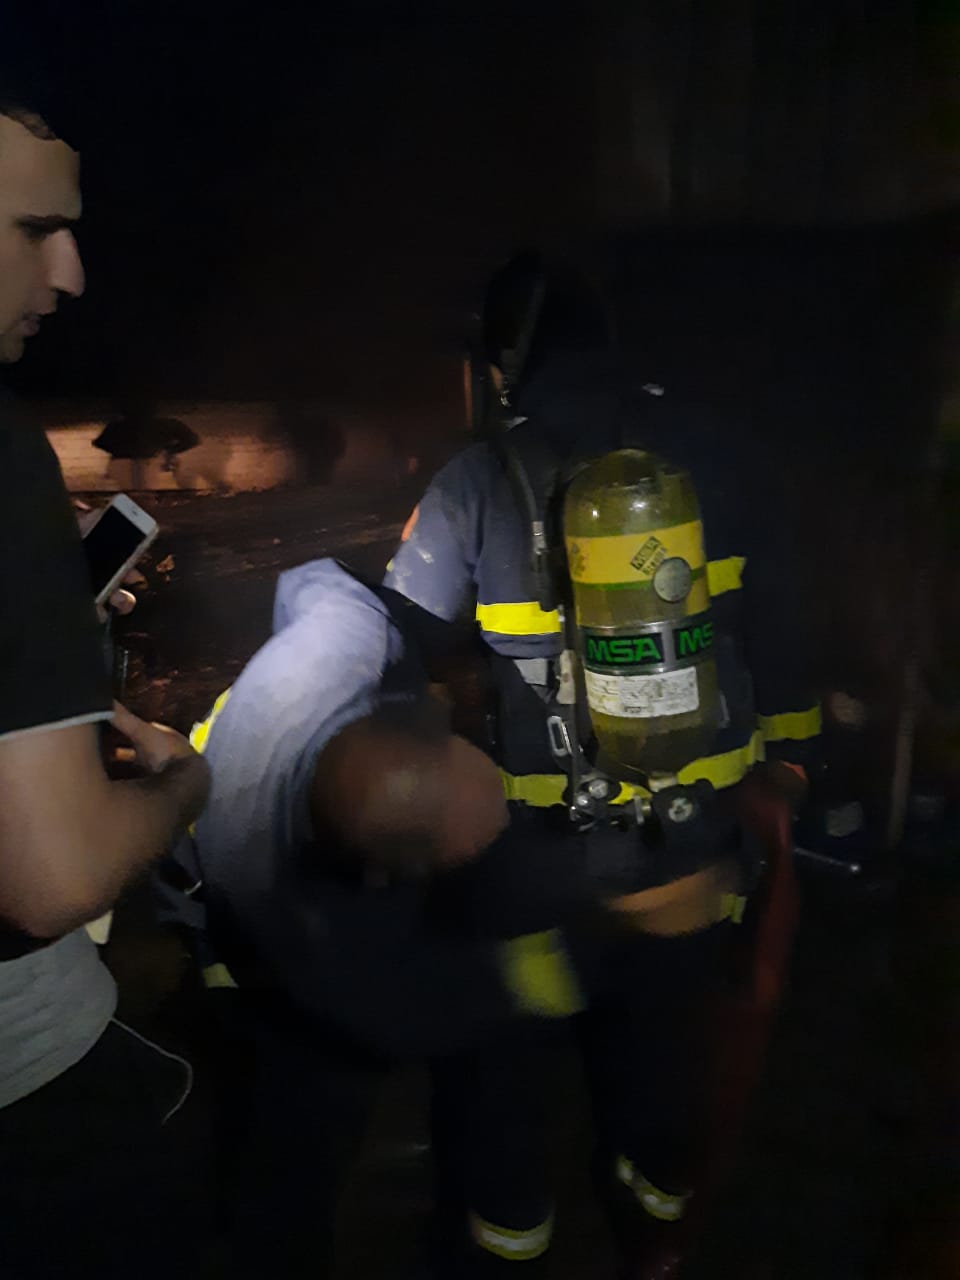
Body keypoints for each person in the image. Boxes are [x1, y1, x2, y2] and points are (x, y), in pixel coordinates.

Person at [383, 250, 820, 1276]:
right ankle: (654, 1227)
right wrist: (789, 774)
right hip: (690, 858)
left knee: (502, 1089)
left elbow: (395, 641)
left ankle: (510, 1239)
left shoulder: (476, 479)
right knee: (662, 1065)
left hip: (531, 875)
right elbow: (788, 637)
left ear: (505, 360)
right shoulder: (723, 453)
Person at [174, 555, 649, 1280]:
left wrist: (430, 650)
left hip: (278, 755)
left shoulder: (346, 640)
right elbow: (448, 1001)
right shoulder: (316, 930)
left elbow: (311, 577)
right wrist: (600, 938)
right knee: (300, 1128)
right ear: (388, 876)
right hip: (235, 910)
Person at [0, 71, 211, 1279]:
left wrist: (38, 629)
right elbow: (54, 877)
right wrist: (183, 789)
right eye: (36, 229)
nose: (72, 273)